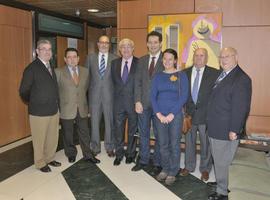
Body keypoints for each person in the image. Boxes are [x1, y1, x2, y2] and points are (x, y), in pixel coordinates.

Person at [207, 47, 252, 200]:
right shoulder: (224, 74)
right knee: (219, 160)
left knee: (222, 162)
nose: (223, 59)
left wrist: (234, 129)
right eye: (221, 57)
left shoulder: (241, 78)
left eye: (227, 56)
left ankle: (222, 192)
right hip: (216, 126)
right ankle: (222, 183)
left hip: (226, 129)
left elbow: (241, 107)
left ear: (236, 57)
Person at [19, 39, 61, 173]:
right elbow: (23, 91)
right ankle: (40, 162)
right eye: (44, 49)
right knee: (39, 139)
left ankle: (49, 158)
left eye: (49, 49)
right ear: (37, 51)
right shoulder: (31, 68)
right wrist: (34, 101)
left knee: (52, 137)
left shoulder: (50, 66)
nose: (47, 52)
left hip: (53, 110)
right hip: (38, 112)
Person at [55, 48, 100, 164]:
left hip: (82, 108)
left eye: (74, 57)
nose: (72, 59)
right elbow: (55, 92)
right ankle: (71, 153)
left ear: (78, 59)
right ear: (65, 59)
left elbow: (86, 89)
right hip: (66, 108)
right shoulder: (58, 72)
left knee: (85, 133)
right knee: (68, 134)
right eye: (69, 57)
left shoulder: (85, 71)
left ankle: (88, 155)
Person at [180, 48, 219, 181]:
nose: (198, 58)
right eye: (196, 55)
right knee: (189, 142)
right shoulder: (185, 73)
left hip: (206, 116)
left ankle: (205, 169)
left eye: (202, 56)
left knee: (205, 144)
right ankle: (189, 166)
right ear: (193, 57)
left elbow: (217, 96)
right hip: (189, 116)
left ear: (206, 58)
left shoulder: (215, 73)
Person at [151, 48, 188, 185]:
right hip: (159, 116)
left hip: (176, 115)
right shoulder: (157, 76)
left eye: (170, 59)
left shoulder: (181, 76)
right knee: (162, 144)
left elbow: (184, 96)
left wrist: (172, 113)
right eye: (165, 59)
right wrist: (159, 114)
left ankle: (173, 171)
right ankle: (165, 168)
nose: (167, 61)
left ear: (175, 60)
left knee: (174, 144)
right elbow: (153, 97)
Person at [132, 31, 164, 175]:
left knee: (159, 134)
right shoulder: (142, 60)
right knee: (143, 133)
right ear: (146, 44)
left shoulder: (167, 59)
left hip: (160, 106)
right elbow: (137, 82)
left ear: (160, 43)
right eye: (150, 42)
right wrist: (137, 100)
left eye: (155, 42)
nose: (152, 45)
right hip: (143, 105)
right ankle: (143, 160)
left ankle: (158, 162)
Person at [85, 35, 118, 157]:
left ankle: (110, 146)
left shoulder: (115, 59)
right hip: (94, 96)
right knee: (94, 122)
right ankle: (95, 146)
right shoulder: (90, 58)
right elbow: (86, 79)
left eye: (106, 43)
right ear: (97, 44)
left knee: (109, 122)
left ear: (109, 45)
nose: (104, 45)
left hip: (110, 96)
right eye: (101, 42)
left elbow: (117, 80)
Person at [111, 38, 138, 166]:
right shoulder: (114, 63)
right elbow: (112, 84)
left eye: (128, 46)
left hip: (134, 103)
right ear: (120, 50)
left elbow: (141, 84)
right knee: (118, 131)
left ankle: (131, 154)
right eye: (123, 47)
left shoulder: (139, 63)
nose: (126, 49)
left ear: (133, 49)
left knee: (132, 130)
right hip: (118, 103)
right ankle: (119, 154)